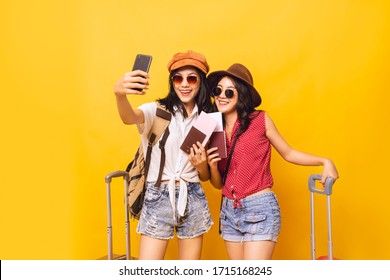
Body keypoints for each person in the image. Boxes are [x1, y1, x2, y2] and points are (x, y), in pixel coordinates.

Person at [206, 63, 339, 260]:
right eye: (218, 90)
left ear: (241, 95)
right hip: (228, 212)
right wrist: (210, 166)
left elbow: (289, 153)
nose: (222, 96)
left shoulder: (259, 120)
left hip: (258, 207)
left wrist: (324, 161)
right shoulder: (213, 127)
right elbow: (218, 184)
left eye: (229, 92)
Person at [113, 50, 214, 260]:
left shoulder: (207, 120)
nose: (184, 84)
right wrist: (120, 95)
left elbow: (205, 177)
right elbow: (129, 117)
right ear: (172, 81)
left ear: (200, 82)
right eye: (178, 78)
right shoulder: (156, 111)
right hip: (158, 195)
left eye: (191, 78)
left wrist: (202, 165)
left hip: (193, 195)